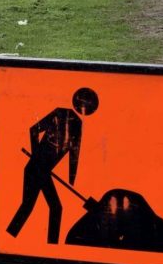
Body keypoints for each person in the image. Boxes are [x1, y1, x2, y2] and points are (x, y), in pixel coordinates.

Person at [6, 87, 99, 244]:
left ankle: (17, 236)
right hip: (35, 168)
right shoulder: (60, 113)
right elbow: (33, 130)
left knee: (35, 207)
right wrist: (36, 157)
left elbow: (74, 156)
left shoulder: (77, 125)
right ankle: (48, 244)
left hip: (42, 171)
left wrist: (72, 180)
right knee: (45, 207)